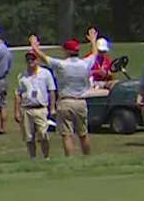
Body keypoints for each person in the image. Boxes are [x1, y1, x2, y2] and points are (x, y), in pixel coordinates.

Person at [30, 29, 100, 157]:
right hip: (81, 101)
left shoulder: (61, 64)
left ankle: (69, 159)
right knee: (83, 133)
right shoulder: (84, 64)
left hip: (66, 101)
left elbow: (44, 58)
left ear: (67, 51)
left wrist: (35, 46)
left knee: (66, 134)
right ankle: (88, 157)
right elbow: (94, 54)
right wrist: (93, 41)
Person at [13, 50, 56, 159]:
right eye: (28, 59)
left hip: (41, 108)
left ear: (37, 60)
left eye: (33, 59)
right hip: (27, 109)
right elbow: (18, 94)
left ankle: (46, 157)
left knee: (43, 134)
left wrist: (52, 108)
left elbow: (51, 91)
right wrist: (17, 111)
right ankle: (33, 157)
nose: (30, 61)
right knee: (29, 136)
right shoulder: (22, 76)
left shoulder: (45, 73)